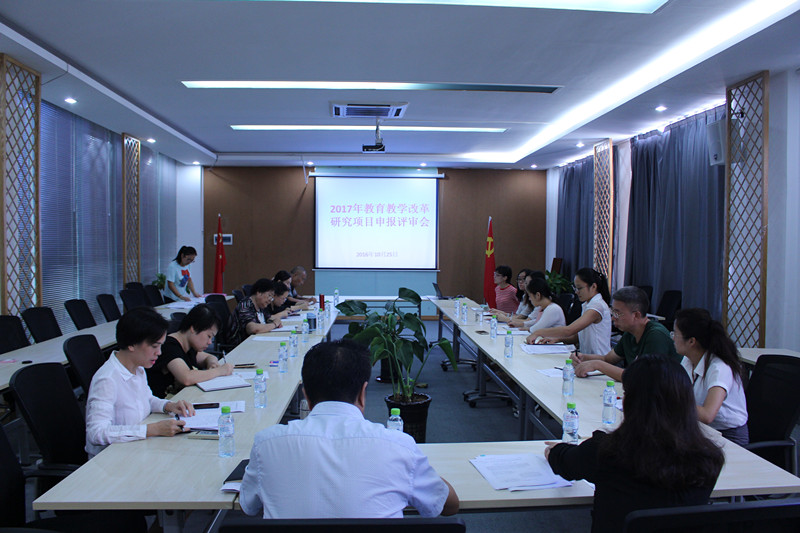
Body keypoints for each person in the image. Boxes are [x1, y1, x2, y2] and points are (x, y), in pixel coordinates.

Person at [239, 339, 459, 518]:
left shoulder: (266, 444)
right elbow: (448, 505)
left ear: (306, 395)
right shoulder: (399, 446)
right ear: (363, 393)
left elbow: (248, 505)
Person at [546, 354, 724, 533]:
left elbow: (565, 463)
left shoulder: (608, 450)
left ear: (630, 403)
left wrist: (553, 451)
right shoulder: (709, 459)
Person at [85, 307, 194, 458]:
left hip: (135, 449)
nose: (159, 352)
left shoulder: (138, 368)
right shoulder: (107, 379)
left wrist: (168, 406)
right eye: (154, 346)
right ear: (132, 344)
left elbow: (146, 399)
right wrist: (152, 429)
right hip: (111, 459)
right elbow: (96, 433)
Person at [569, 286, 678, 381]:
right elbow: (607, 359)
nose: (613, 318)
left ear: (636, 315)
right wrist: (583, 357)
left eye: (617, 313)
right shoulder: (630, 333)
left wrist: (597, 365)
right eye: (612, 312)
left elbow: (642, 378)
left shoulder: (656, 335)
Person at [674, 308, 749, 445]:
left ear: (691, 341)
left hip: (729, 436)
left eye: (675, 334)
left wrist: (670, 401)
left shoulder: (719, 368)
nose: (673, 338)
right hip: (701, 429)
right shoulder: (688, 360)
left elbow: (707, 415)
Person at [146, 304, 234, 398]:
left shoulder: (189, 345)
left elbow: (209, 357)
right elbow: (186, 378)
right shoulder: (169, 346)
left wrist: (212, 363)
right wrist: (219, 371)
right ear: (193, 328)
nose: (209, 342)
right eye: (209, 336)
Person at [535, 267, 612, 356]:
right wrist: (558, 339)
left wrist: (538, 332)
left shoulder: (597, 306)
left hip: (599, 359)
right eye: (575, 288)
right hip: (587, 357)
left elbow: (569, 330)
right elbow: (579, 336)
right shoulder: (587, 304)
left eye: (579, 288)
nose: (576, 292)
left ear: (593, 287)